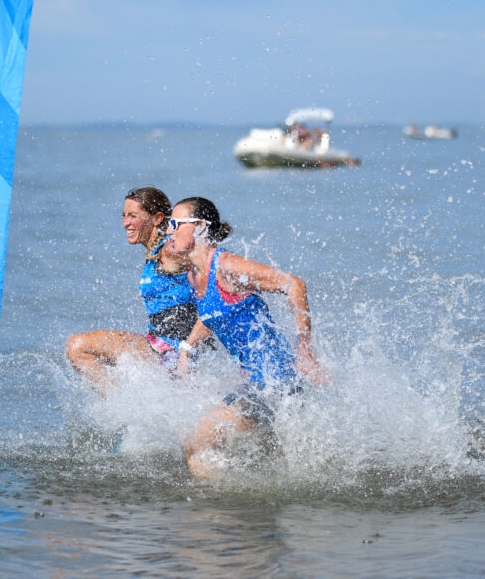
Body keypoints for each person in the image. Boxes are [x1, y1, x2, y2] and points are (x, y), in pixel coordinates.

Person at [168, 196, 329, 478]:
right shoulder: (196, 275)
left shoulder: (227, 266)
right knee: (264, 463)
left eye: (174, 224)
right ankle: (252, 515)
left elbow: (294, 284)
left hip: (277, 386)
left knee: (195, 443)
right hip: (255, 385)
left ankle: (221, 511)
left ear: (199, 227)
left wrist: (305, 350)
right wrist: (186, 349)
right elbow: (213, 315)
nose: (168, 231)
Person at [66, 186, 199, 394]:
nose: (126, 222)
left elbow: (203, 262)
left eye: (133, 216)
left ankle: (118, 411)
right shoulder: (156, 253)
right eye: (124, 215)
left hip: (169, 350)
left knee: (78, 346)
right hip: (158, 344)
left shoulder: (168, 250)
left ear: (157, 218)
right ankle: (127, 408)